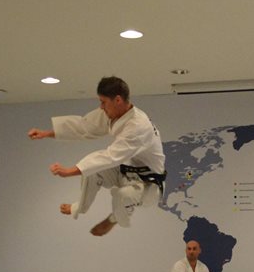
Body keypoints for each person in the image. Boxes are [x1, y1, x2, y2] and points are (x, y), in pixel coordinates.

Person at [27, 76, 166, 237]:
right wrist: (47, 133)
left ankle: (113, 219)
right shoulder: (115, 113)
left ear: (118, 100)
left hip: (149, 185)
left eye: (103, 102)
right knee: (91, 172)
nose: (101, 107)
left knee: (121, 196)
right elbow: (85, 126)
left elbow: (110, 156)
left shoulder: (138, 126)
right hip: (125, 173)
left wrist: (70, 171)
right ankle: (79, 208)